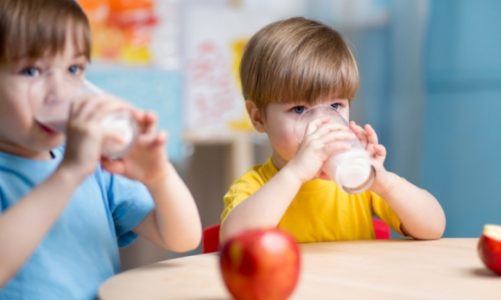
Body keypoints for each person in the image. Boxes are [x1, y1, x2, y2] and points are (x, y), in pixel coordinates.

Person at [0, 0, 201, 298]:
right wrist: (68, 174)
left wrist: (158, 177)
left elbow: (183, 238)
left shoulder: (91, 160)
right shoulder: (75, 164)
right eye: (31, 71)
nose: (59, 92)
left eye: (73, 69)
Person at [220, 17, 445, 243]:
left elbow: (434, 227)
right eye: (299, 109)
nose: (322, 123)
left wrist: (384, 182)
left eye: (335, 106)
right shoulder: (255, 186)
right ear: (259, 117)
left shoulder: (360, 184)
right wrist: (296, 173)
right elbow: (234, 242)